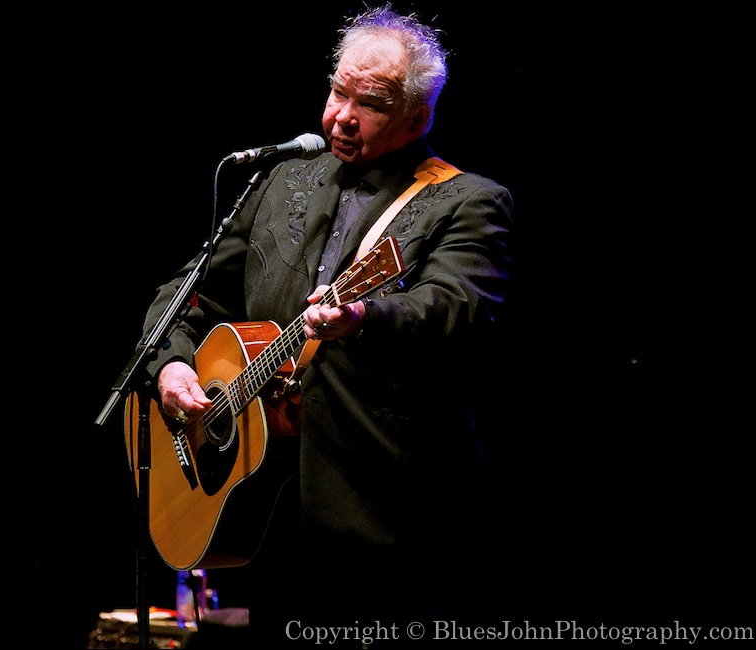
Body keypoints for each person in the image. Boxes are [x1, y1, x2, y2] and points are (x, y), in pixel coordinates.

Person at [138, 3, 513, 645]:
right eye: (338, 91)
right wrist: (170, 364)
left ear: (417, 118)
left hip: (385, 510)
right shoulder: (282, 181)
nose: (342, 116)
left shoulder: (468, 201)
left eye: (370, 104)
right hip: (266, 509)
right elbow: (189, 294)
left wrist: (364, 316)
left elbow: (455, 305)